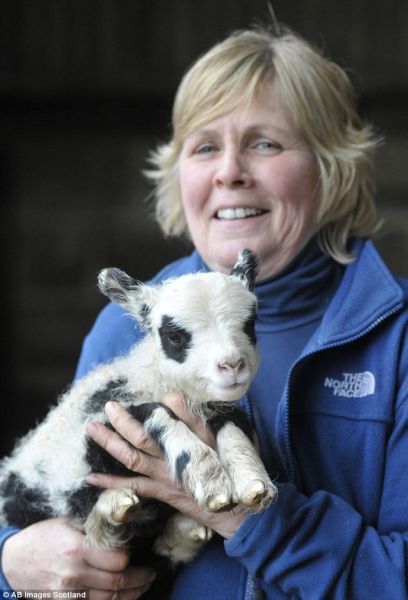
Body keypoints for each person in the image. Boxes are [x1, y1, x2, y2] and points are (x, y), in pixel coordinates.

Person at [2, 22, 408, 599]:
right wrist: (12, 562)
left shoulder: (397, 339)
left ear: (332, 168)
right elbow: (53, 495)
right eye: (205, 147)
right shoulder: (124, 327)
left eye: (265, 144)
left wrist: (248, 515)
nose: (228, 171)